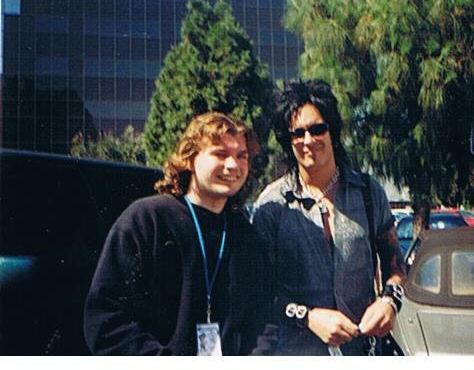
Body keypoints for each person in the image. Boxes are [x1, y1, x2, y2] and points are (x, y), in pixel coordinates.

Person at [84, 112, 268, 355]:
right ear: (190, 160)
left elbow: (265, 321)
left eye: (241, 156)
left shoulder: (246, 235)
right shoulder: (147, 219)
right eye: (220, 154)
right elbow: (107, 319)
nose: (233, 165)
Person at [252, 80, 406, 355]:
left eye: (317, 129)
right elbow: (259, 291)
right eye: (297, 133)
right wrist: (307, 316)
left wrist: (390, 302)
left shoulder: (368, 193)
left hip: (364, 350)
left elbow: (395, 265)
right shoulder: (271, 205)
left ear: (332, 131)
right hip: (297, 353)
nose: (308, 140)